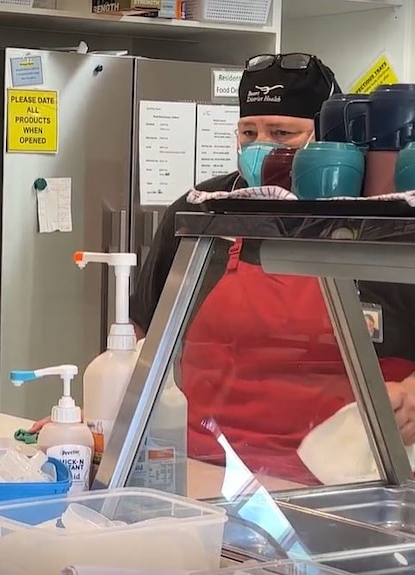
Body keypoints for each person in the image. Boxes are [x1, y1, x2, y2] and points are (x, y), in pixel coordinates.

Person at [32, 53, 415, 485]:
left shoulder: (382, 220)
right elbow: (141, 339)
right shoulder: (207, 212)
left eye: (282, 133)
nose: (260, 146)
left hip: (346, 483)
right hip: (203, 471)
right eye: (248, 132)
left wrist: (410, 398)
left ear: (328, 139)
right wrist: (96, 419)